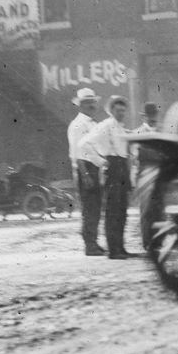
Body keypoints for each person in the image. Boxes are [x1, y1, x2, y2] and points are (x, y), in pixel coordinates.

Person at [79, 95, 132, 259]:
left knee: (122, 211)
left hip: (122, 168)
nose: (121, 113)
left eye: (124, 110)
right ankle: (113, 250)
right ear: (112, 110)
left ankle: (120, 247)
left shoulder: (121, 127)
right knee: (113, 211)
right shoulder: (106, 125)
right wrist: (102, 162)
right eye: (118, 110)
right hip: (113, 168)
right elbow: (84, 145)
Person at [68, 88, 105, 256]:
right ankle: (89, 245)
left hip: (95, 167)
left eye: (92, 102)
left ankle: (94, 242)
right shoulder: (77, 125)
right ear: (81, 105)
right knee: (89, 208)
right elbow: (77, 154)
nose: (91, 106)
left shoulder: (94, 124)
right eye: (87, 103)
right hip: (86, 169)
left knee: (96, 208)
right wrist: (86, 175)